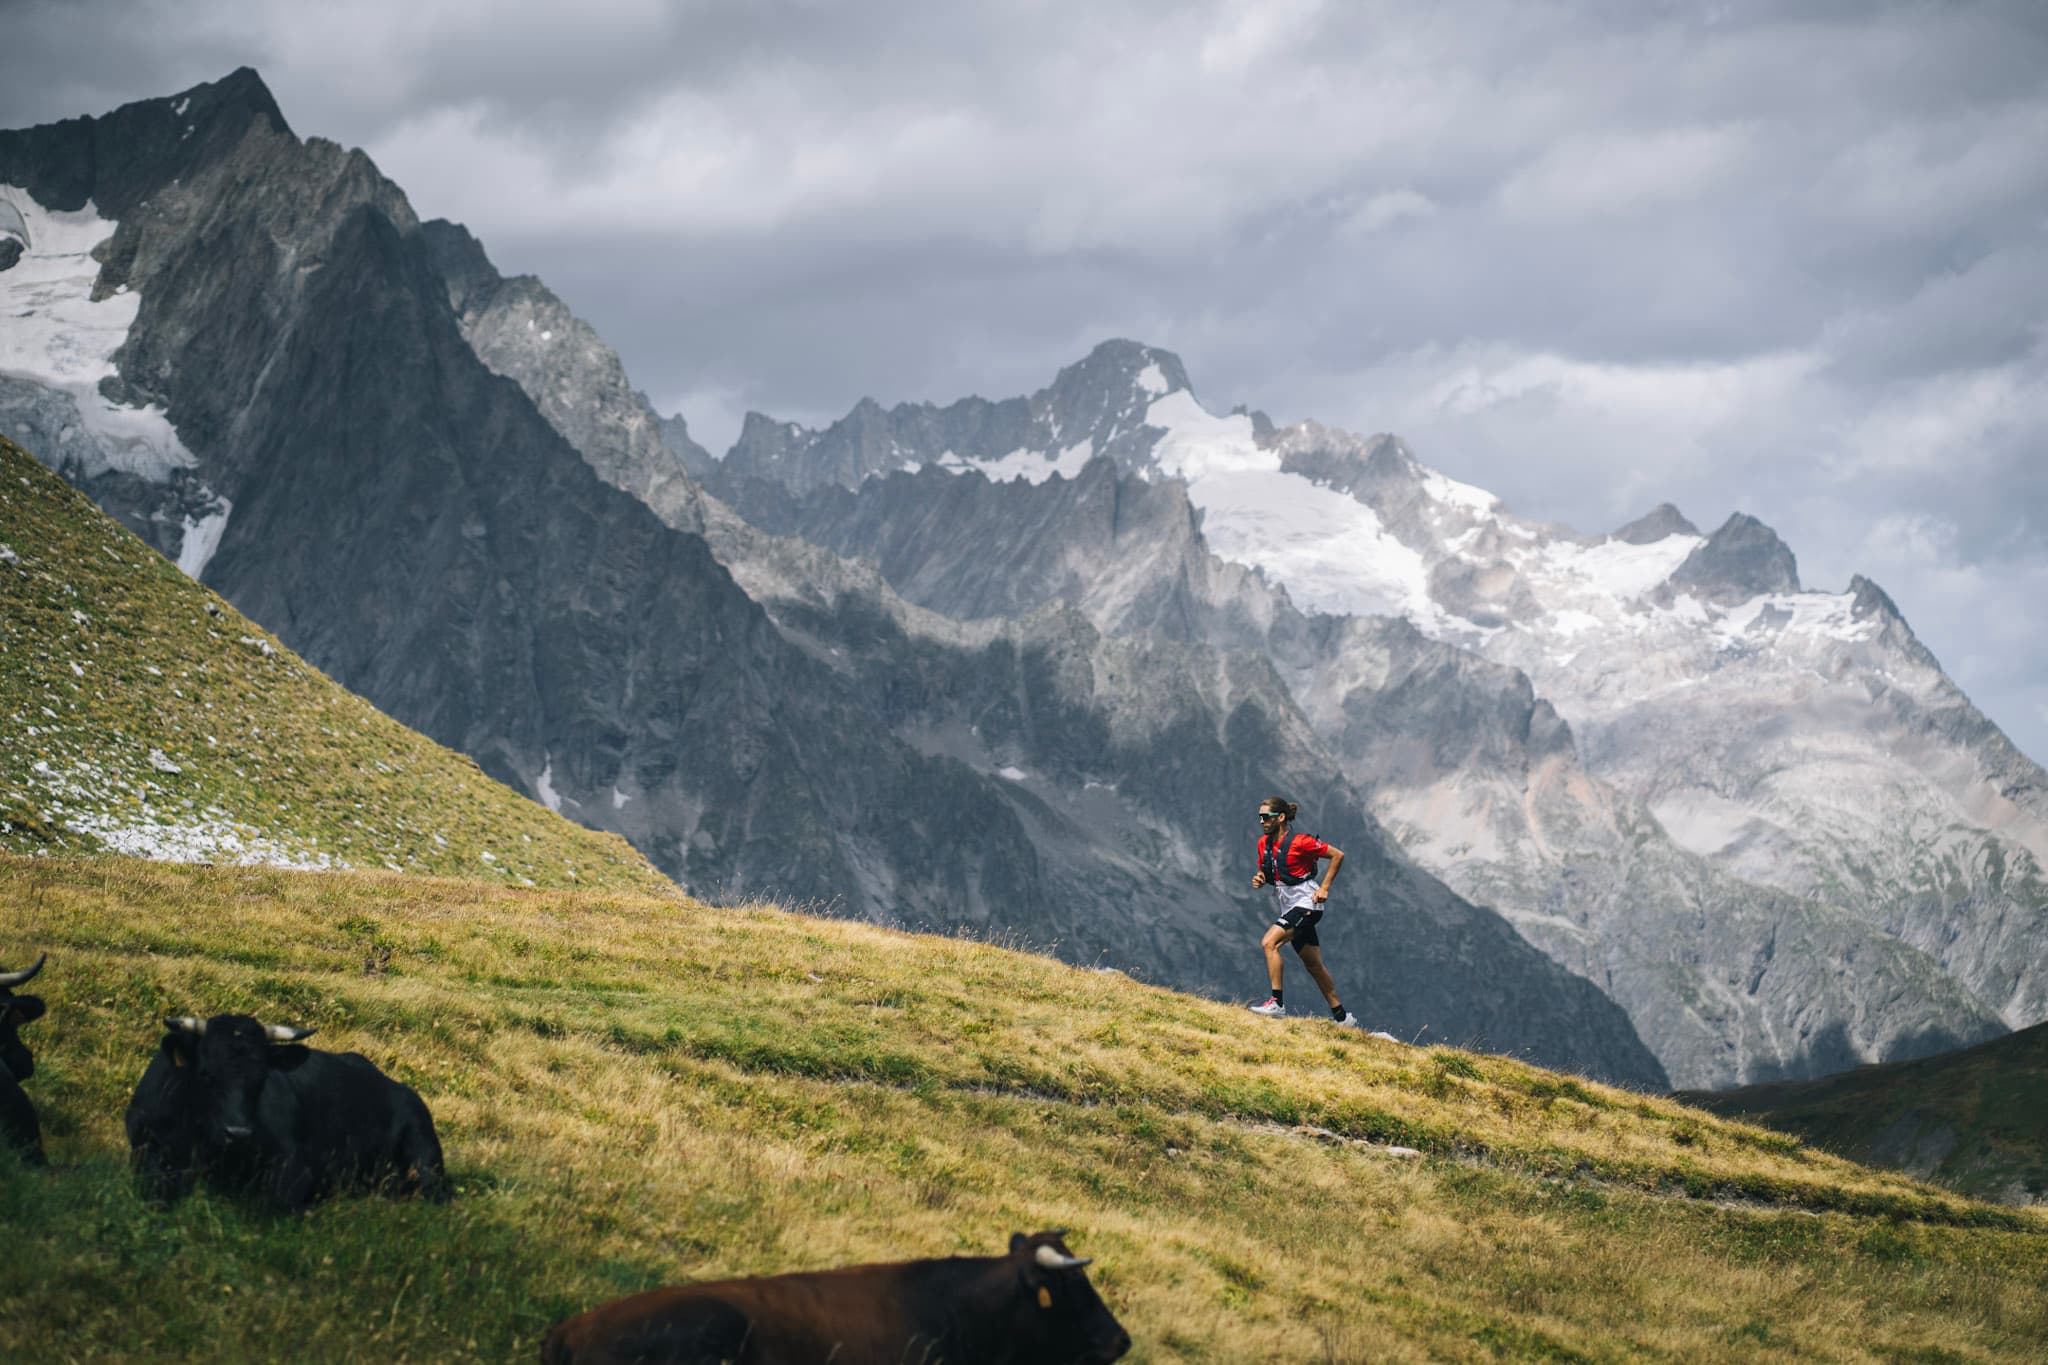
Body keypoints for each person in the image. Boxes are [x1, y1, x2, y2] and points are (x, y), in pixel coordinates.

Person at [1247, 797, 1393, 1040]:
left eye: (1266, 817)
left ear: (1280, 818)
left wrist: (1324, 887)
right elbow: (1270, 870)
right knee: (1313, 964)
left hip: (1307, 904)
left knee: (1269, 943)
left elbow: (1338, 855)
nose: (1261, 821)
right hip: (1289, 907)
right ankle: (1343, 1018)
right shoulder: (1263, 844)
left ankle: (1276, 1004)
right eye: (1260, 817)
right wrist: (1260, 878)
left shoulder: (1301, 841)